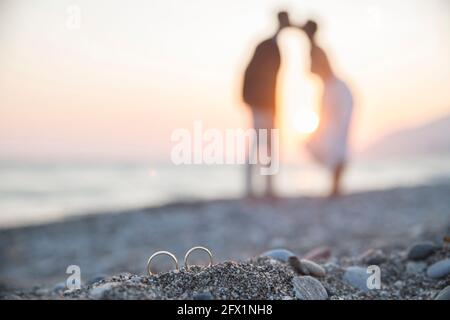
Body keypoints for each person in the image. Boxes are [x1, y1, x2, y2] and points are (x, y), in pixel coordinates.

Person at [300, 20, 354, 197]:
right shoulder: (315, 47)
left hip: (335, 91)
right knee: (332, 140)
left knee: (334, 139)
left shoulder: (316, 49)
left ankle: (336, 186)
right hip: (332, 90)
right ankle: (335, 186)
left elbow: (313, 70)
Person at [242, 11, 290, 199]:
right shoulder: (266, 46)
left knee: (268, 146)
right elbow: (250, 72)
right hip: (261, 105)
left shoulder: (273, 46)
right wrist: (249, 99)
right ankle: (252, 189)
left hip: (268, 105)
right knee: (259, 145)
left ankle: (266, 188)